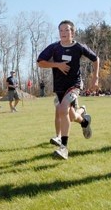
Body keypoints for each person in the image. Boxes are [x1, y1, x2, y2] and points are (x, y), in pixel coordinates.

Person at [37, 20, 99, 160]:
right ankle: (84, 120)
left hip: (74, 85)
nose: (64, 33)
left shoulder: (79, 47)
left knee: (63, 109)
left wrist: (95, 77)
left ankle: (63, 148)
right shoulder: (54, 48)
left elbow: (95, 59)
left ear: (73, 32)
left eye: (67, 30)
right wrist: (57, 65)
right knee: (70, 116)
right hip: (59, 87)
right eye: (61, 30)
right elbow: (40, 62)